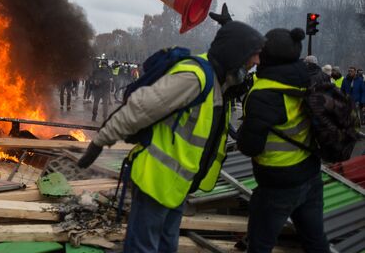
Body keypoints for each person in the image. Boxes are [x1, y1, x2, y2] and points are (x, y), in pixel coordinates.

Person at [78, 16, 265, 252]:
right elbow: (139, 109)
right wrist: (100, 141)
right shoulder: (194, 77)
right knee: (143, 248)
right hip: (155, 182)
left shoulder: (220, 83)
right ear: (235, 53)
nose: (257, 61)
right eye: (254, 54)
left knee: (166, 246)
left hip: (178, 186)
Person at [237, 28, 329, 253]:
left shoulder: (264, 94)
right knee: (316, 242)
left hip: (278, 183)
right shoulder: (307, 79)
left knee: (260, 244)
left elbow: (250, 146)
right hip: (310, 175)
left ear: (267, 57)